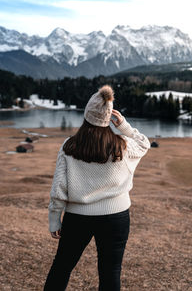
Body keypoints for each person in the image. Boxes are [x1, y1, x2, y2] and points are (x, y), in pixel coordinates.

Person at [43, 85, 150, 291]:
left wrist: (55, 219)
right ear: (109, 116)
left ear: (86, 115)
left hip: (77, 218)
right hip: (116, 217)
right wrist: (124, 126)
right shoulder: (123, 145)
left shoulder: (69, 146)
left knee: (62, 268)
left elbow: (59, 188)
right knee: (111, 273)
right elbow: (144, 144)